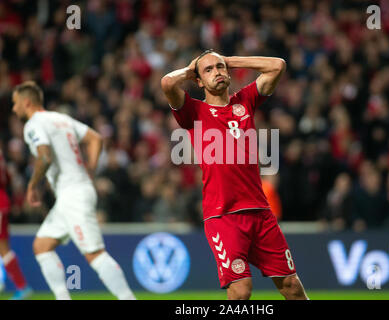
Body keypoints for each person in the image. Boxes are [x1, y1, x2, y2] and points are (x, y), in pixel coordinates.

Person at [161, 50, 308, 300]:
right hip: (223, 216)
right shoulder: (193, 112)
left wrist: (228, 61)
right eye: (208, 70)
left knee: (292, 287)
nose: (216, 72)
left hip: (260, 213)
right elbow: (167, 82)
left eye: (220, 68)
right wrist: (193, 68)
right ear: (198, 81)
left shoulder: (245, 101)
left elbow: (277, 65)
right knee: (240, 292)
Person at [11, 81, 136, 300]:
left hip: (73, 196)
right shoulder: (61, 118)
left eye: (15, 104)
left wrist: (32, 185)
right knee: (42, 245)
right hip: (71, 194)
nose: (14, 109)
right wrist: (90, 171)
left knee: (94, 254)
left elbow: (44, 156)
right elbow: (96, 139)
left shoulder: (33, 124)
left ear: (26, 102)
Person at [0, 147, 32, 299]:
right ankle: (20, 286)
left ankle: (21, 286)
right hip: (3, 201)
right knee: (3, 247)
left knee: (3, 247)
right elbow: (8, 177)